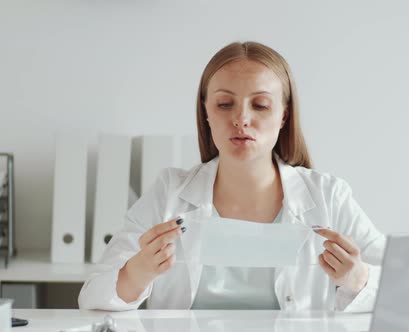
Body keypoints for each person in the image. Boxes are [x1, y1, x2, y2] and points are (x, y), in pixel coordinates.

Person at [78, 41, 385, 312]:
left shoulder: (328, 196)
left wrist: (357, 278)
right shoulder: (169, 191)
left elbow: (407, 291)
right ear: (207, 112)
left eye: (260, 105)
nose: (241, 119)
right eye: (225, 104)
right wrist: (137, 273)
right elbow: (92, 297)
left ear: (284, 116)